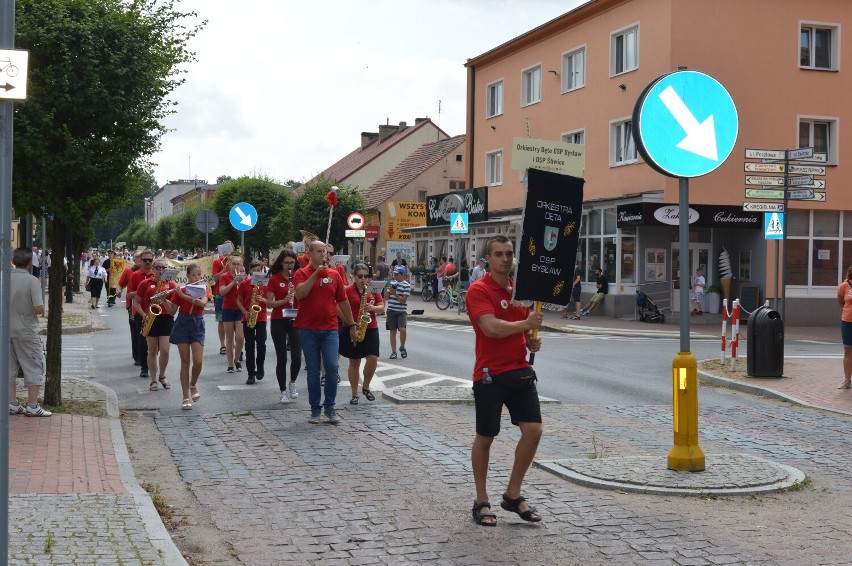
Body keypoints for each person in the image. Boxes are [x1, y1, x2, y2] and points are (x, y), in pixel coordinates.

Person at [466, 235, 543, 527]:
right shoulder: (479, 290)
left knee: (533, 431)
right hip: (489, 375)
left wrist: (531, 340)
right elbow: (492, 328)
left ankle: (512, 494)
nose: (506, 259)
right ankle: (481, 499)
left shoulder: (519, 291)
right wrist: (525, 324)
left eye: (509, 253)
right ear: (487, 259)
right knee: (486, 437)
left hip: (520, 371)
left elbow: (520, 334)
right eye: (498, 254)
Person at [293, 240, 358, 424]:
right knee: (313, 371)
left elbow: (343, 302)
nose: (324, 255)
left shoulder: (334, 275)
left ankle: (329, 406)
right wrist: (315, 275)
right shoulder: (301, 273)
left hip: (330, 328)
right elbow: (300, 294)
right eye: (320, 251)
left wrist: (351, 325)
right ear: (310, 253)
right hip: (308, 329)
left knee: (332, 366)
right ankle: (315, 408)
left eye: (326, 252)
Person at [9, 248, 52, 417]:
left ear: (13, 260)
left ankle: (12, 403)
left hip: (6, 329)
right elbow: (39, 308)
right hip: (26, 330)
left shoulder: (4, 278)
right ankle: (33, 405)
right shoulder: (32, 281)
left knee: (8, 368)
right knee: (33, 365)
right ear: (29, 263)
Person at [341, 263, 385, 404]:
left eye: (366, 276)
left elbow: (382, 307)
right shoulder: (347, 290)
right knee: (354, 361)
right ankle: (354, 394)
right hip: (352, 327)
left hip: (370, 326)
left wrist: (372, 307)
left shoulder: (372, 289)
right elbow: (338, 306)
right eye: (360, 276)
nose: (363, 279)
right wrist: (351, 322)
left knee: (373, 358)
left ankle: (366, 386)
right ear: (353, 276)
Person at [169, 263, 210, 409]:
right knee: (185, 362)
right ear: (187, 276)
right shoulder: (181, 290)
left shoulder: (204, 289)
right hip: (183, 322)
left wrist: (184, 296)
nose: (197, 278)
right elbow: (172, 311)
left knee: (198, 361)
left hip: (197, 323)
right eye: (194, 275)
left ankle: (193, 384)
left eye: (199, 275)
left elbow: (202, 304)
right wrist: (162, 300)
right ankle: (185, 397)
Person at [133, 258, 177, 392]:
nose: (161, 270)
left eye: (164, 268)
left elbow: (173, 310)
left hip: (166, 318)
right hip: (151, 318)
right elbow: (136, 302)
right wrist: (143, 314)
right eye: (158, 267)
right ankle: (153, 380)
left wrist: (164, 299)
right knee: (152, 351)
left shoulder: (171, 284)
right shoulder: (145, 283)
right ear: (153, 268)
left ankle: (162, 375)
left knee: (165, 350)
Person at [267, 249, 301, 403]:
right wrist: (284, 300)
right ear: (281, 263)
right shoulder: (274, 279)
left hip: (296, 318)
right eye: (286, 263)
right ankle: (282, 390)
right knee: (281, 357)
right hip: (279, 319)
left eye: (292, 263)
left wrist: (297, 294)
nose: (289, 265)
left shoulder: (299, 277)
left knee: (296, 355)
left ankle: (293, 382)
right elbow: (269, 303)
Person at [237, 260, 268, 385]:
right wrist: (245, 312)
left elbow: (270, 300)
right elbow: (238, 300)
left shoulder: (265, 284)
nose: (256, 272)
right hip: (248, 317)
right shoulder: (245, 283)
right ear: (250, 271)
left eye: (258, 270)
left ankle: (260, 366)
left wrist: (263, 299)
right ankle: (251, 373)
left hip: (261, 317)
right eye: (254, 270)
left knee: (261, 343)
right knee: (249, 346)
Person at [127, 250, 155, 378]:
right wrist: (142, 291)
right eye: (145, 260)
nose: (148, 262)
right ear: (141, 261)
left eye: (150, 260)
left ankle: (152, 363)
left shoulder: (157, 274)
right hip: (140, 312)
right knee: (143, 341)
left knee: (156, 342)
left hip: (156, 312)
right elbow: (129, 294)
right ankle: (144, 367)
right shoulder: (135, 275)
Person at [219, 255, 246, 373]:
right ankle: (230, 364)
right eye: (233, 264)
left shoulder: (244, 277)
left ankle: (237, 359)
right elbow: (222, 291)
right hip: (228, 308)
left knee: (240, 337)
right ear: (229, 265)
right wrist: (233, 282)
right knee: (229, 338)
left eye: (238, 264)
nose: (236, 266)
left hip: (240, 309)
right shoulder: (225, 276)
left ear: (241, 265)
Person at [118, 251, 142, 366]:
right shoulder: (129, 271)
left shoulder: (151, 271)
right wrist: (119, 290)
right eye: (137, 257)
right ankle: (137, 356)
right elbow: (121, 283)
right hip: (132, 304)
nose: (139, 259)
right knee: (136, 330)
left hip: (147, 305)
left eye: (141, 257)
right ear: (134, 259)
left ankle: (147, 353)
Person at [211, 242, 233, 356]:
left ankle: (233, 342)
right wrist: (224, 269)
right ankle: (223, 344)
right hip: (220, 293)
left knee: (236, 319)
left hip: (234, 292)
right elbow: (215, 278)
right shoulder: (217, 261)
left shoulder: (237, 260)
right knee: (221, 319)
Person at [386, 266, 410, 359]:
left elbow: (403, 301)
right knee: (393, 331)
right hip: (391, 310)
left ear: (402, 275)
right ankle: (393, 352)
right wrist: (386, 288)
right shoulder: (391, 283)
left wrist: (394, 293)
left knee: (402, 329)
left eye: (397, 274)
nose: (395, 276)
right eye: (394, 274)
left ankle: (402, 347)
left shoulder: (406, 285)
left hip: (401, 311)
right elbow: (387, 297)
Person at [839, 266, 852, 389]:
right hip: (847, 322)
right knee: (848, 350)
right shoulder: (844, 286)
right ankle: (847, 380)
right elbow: (841, 301)